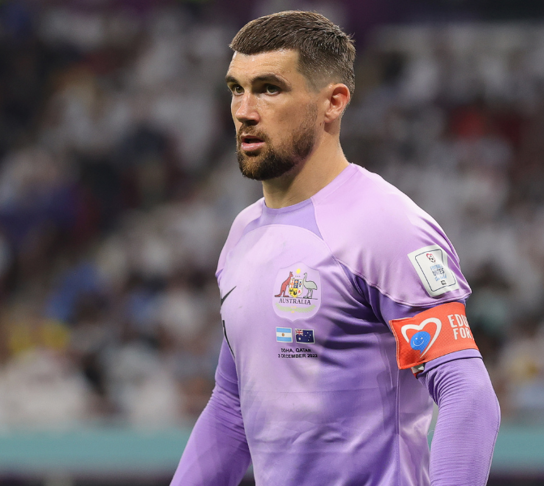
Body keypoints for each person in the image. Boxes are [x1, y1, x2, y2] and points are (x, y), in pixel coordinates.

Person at [171, 10, 500, 486]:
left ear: (334, 102)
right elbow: (230, 406)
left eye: (269, 88)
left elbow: (466, 391)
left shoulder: (385, 226)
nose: (245, 110)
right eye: (236, 89)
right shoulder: (243, 233)